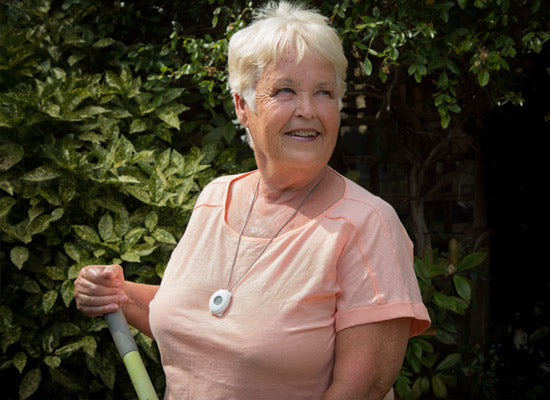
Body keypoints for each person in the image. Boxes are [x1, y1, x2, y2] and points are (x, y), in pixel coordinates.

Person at [74, 2, 430, 399]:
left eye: (324, 93)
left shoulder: (367, 225)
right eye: (285, 91)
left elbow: (360, 390)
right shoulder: (214, 198)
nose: (308, 110)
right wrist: (117, 295)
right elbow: (203, 315)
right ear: (244, 106)